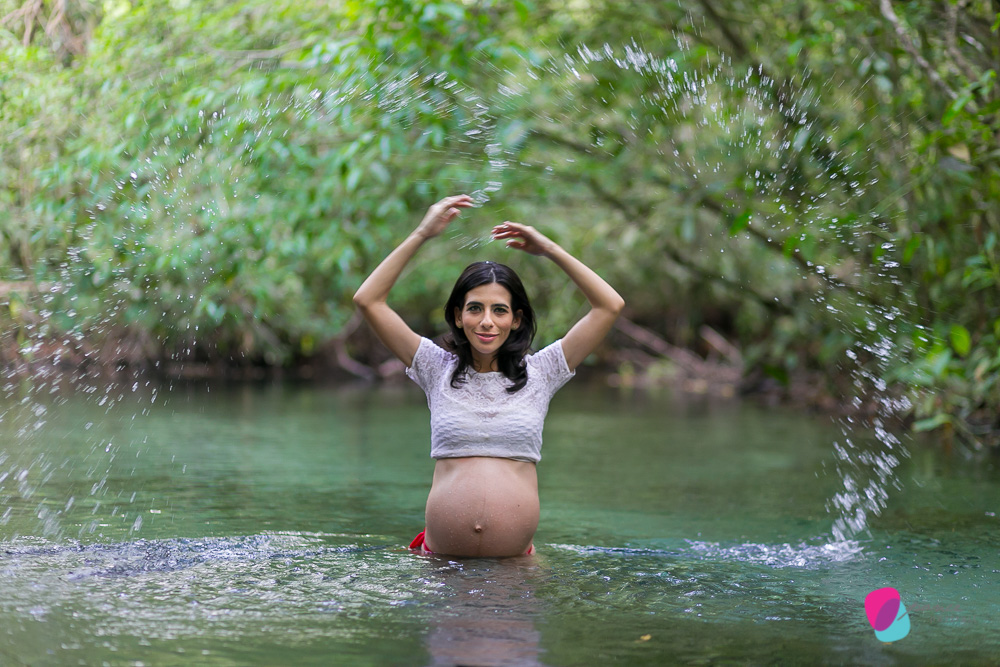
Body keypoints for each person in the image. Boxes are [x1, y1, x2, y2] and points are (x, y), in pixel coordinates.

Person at [353, 195, 624, 557]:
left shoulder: (543, 371)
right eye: (475, 309)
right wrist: (422, 233)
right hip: (441, 570)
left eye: (499, 310)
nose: (486, 321)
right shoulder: (435, 368)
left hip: (515, 574)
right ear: (458, 315)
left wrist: (549, 249)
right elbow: (368, 300)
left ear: (516, 319)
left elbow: (609, 305)